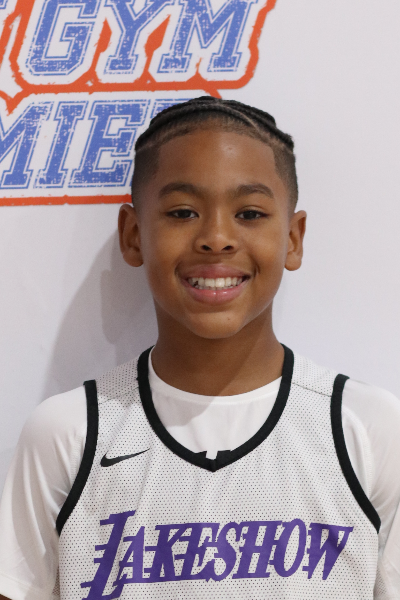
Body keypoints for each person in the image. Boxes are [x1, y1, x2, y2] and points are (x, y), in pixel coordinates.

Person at [0, 96, 399, 600]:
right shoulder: (67, 434)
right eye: (183, 212)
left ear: (293, 238)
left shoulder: (367, 429)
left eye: (249, 213)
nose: (216, 238)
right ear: (133, 235)